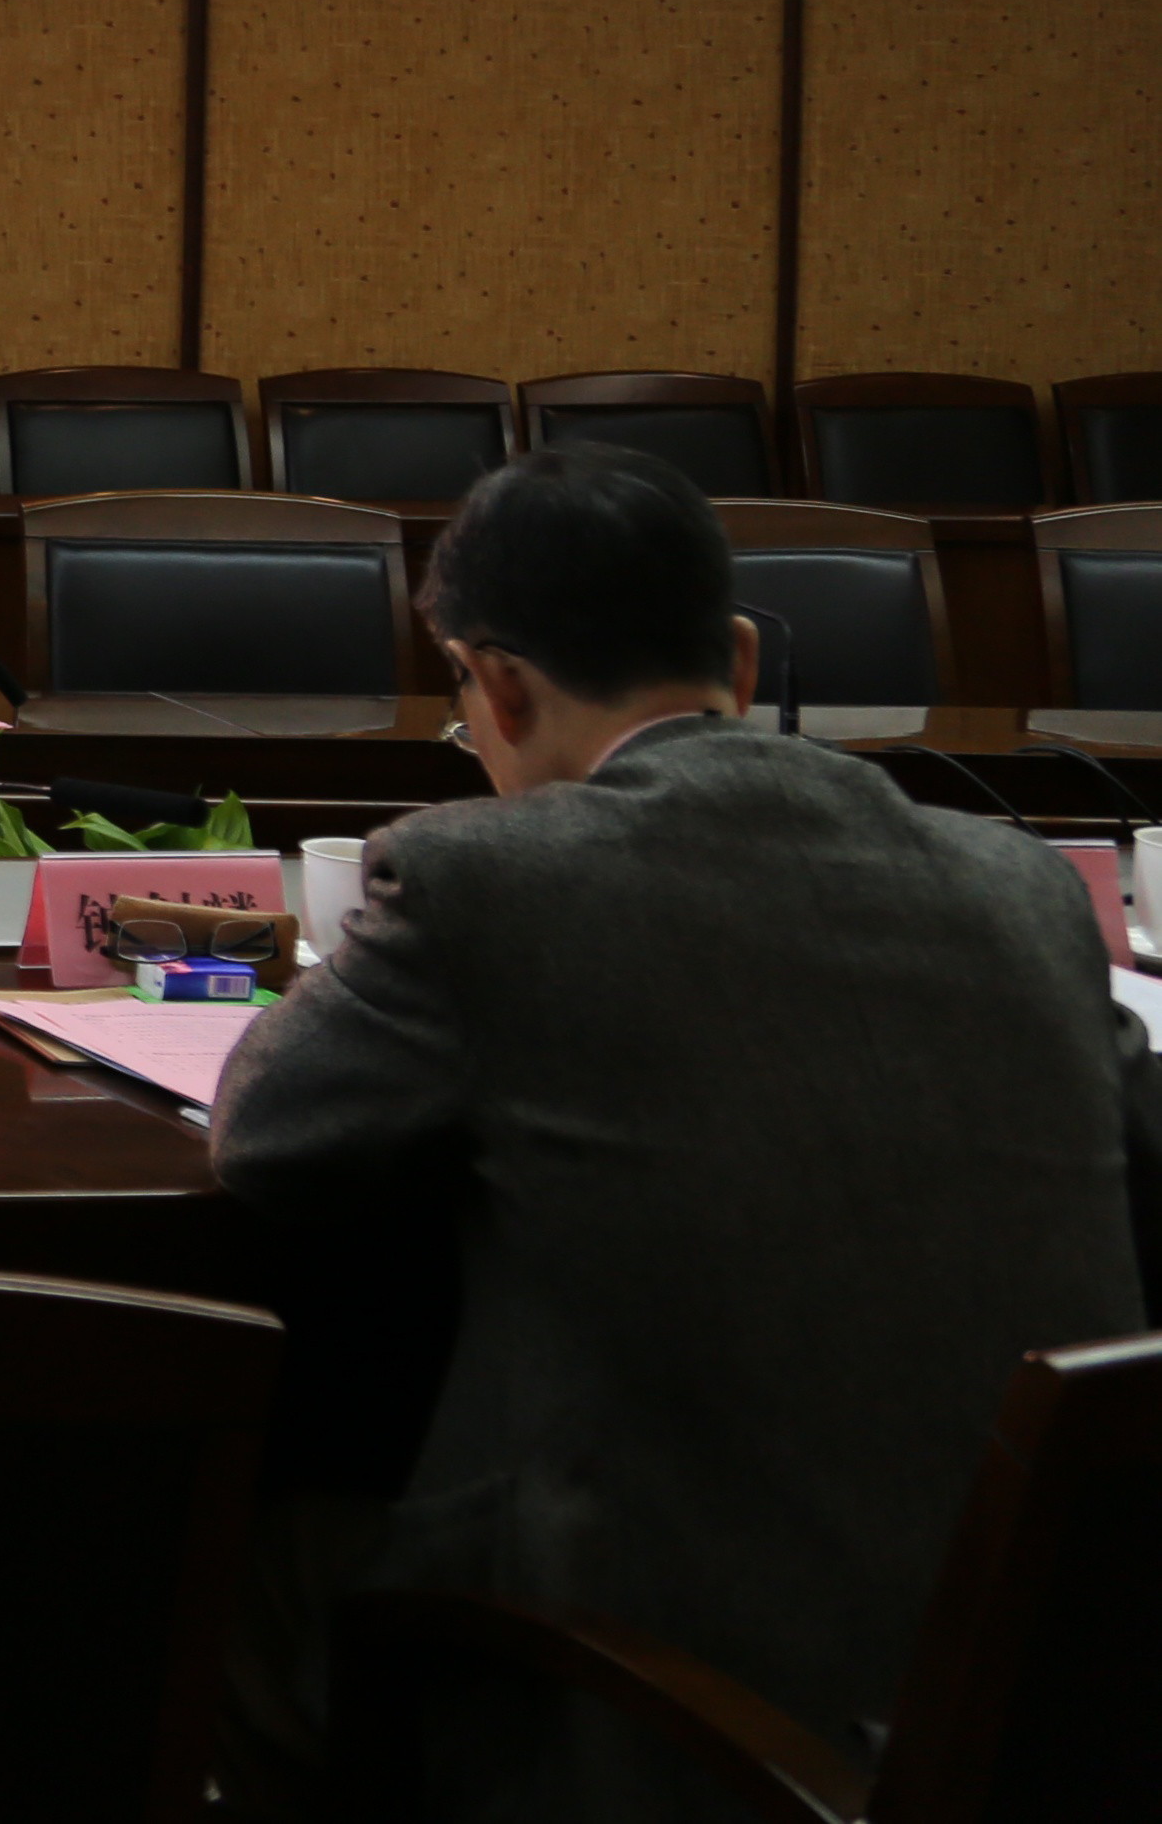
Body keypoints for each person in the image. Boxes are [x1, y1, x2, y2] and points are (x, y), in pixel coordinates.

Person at [209, 444, 1162, 1823]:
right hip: (1043, 1704)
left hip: (664, 1711)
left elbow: (266, 1138)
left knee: (232, 1562)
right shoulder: (1020, 885)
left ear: (498, 685)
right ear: (738, 655)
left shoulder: (481, 874)